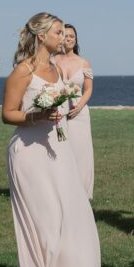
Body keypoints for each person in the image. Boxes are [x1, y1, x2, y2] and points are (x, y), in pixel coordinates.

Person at [2, 12, 100, 267]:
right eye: (58, 32)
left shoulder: (57, 69)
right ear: (42, 36)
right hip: (29, 153)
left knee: (63, 216)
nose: (64, 37)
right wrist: (38, 116)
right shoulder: (23, 70)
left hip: (58, 151)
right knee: (41, 222)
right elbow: (8, 114)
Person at [55, 23, 95, 199]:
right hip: (58, 112)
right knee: (61, 152)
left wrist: (79, 107)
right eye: (65, 35)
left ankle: (81, 194)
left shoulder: (84, 62)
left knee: (80, 153)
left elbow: (88, 89)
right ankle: (61, 191)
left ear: (76, 39)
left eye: (72, 36)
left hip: (79, 114)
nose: (68, 39)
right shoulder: (53, 60)